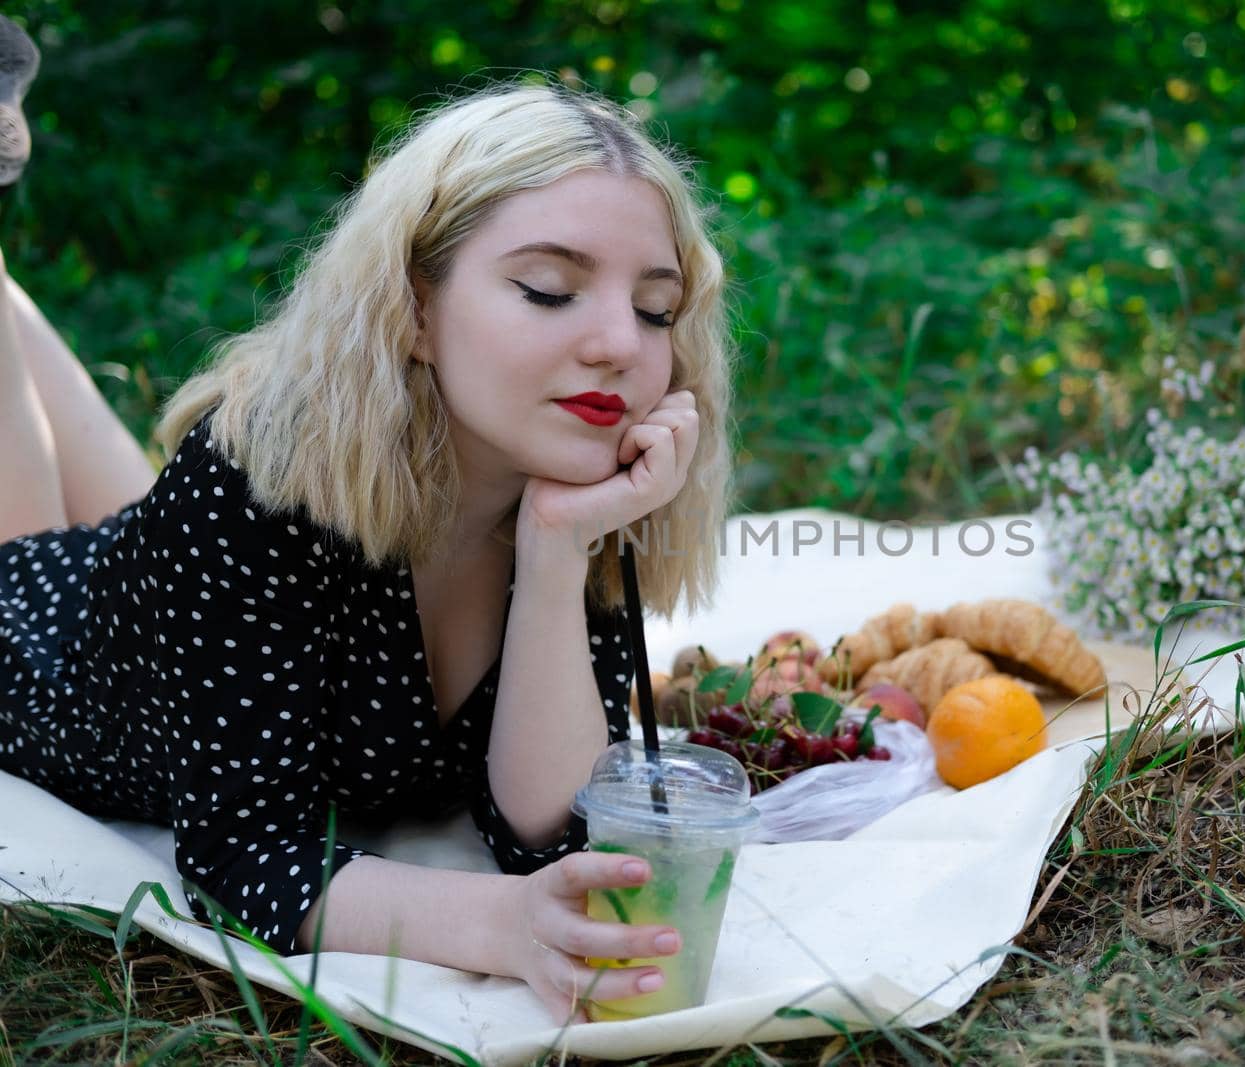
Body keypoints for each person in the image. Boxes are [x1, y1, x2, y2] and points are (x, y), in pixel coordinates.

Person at [0, 32, 735, 1026]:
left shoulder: (578, 476)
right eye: (549, 289)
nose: (618, 344)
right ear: (415, 309)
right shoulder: (251, 485)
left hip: (157, 573)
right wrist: (500, 924)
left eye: (655, 309)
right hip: (39, 644)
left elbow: (548, 831)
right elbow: (243, 859)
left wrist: (559, 553)